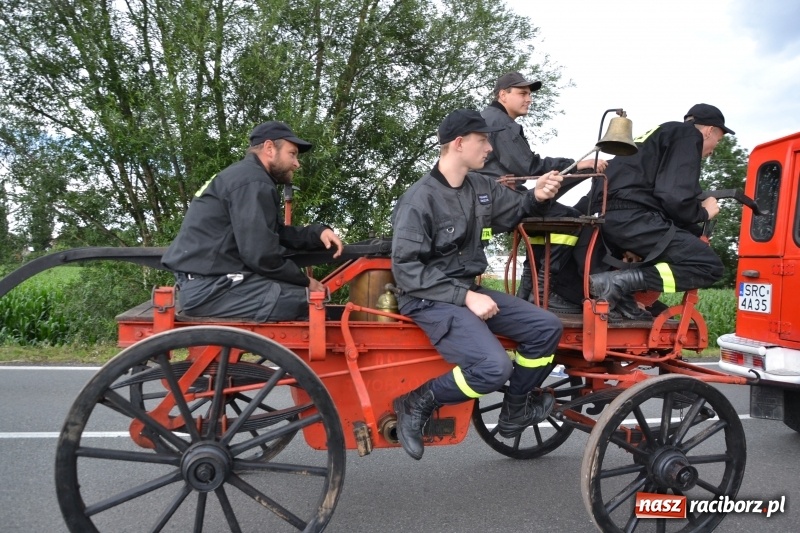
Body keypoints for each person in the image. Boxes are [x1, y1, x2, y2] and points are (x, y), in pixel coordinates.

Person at [390, 109, 564, 460]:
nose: (489, 148)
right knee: (492, 368)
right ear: (459, 143)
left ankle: (515, 408)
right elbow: (406, 269)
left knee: (546, 328)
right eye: (482, 140)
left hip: (467, 291)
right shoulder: (418, 199)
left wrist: (538, 196)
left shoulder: (482, 185)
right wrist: (464, 296)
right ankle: (416, 402)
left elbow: (516, 210)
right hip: (428, 297)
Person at [162, 121, 344, 322]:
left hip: (205, 282)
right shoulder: (252, 182)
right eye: (292, 154)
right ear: (269, 148)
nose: (296, 164)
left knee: (299, 296)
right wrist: (305, 282)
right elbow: (261, 255)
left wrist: (316, 233)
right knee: (307, 302)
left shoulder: (245, 176)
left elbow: (273, 233)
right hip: (209, 288)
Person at [479, 71, 608, 312]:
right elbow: (529, 167)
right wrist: (577, 165)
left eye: (529, 94)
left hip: (491, 195)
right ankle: (547, 293)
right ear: (502, 95)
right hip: (498, 196)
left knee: (543, 221)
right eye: (522, 93)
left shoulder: (490, 119)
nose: (529, 99)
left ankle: (528, 294)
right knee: (571, 221)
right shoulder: (501, 123)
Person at [588, 103, 732, 316]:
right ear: (709, 130)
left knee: (686, 237)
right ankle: (619, 283)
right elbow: (675, 196)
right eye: (717, 141)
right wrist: (703, 213)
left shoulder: (658, 135)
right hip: (634, 217)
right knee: (707, 265)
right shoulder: (688, 135)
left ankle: (627, 294)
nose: (712, 150)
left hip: (613, 216)